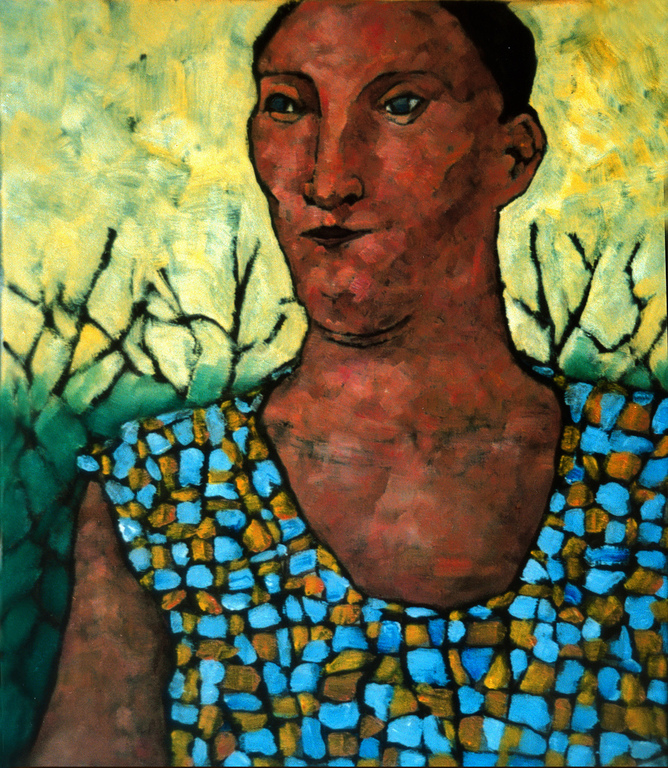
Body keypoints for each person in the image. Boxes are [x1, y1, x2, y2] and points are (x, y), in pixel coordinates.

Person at [29, 2, 667, 767]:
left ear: (514, 154)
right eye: (288, 107)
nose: (328, 179)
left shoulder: (648, 473)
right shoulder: (163, 492)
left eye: (402, 105)